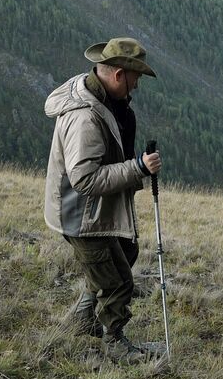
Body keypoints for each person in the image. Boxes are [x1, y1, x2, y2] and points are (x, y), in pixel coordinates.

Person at [43, 37, 163, 361]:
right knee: (118, 281)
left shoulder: (107, 101)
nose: (137, 86)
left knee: (126, 250)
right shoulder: (85, 116)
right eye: (135, 77)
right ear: (119, 75)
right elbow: (84, 179)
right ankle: (114, 341)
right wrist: (137, 167)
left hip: (92, 210)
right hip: (80, 214)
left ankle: (82, 319)